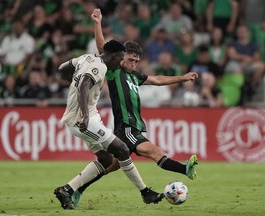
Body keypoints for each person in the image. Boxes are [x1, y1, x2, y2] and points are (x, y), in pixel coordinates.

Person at [68, 8, 199, 208]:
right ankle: (184, 170)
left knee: (109, 166)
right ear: (121, 57)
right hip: (126, 128)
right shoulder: (113, 72)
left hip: (134, 126)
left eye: (137, 61)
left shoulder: (134, 76)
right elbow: (103, 47)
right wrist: (97, 23)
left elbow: (157, 80)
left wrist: (182, 78)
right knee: (154, 152)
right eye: (130, 60)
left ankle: (77, 188)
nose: (133, 64)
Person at [54, 39, 163, 209]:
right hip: (82, 120)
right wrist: (84, 115)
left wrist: (73, 81)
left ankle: (66, 190)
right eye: (119, 59)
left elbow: (62, 68)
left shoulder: (86, 58)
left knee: (106, 159)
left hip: (89, 116)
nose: (120, 63)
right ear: (112, 56)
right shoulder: (101, 67)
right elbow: (83, 86)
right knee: (122, 150)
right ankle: (145, 192)